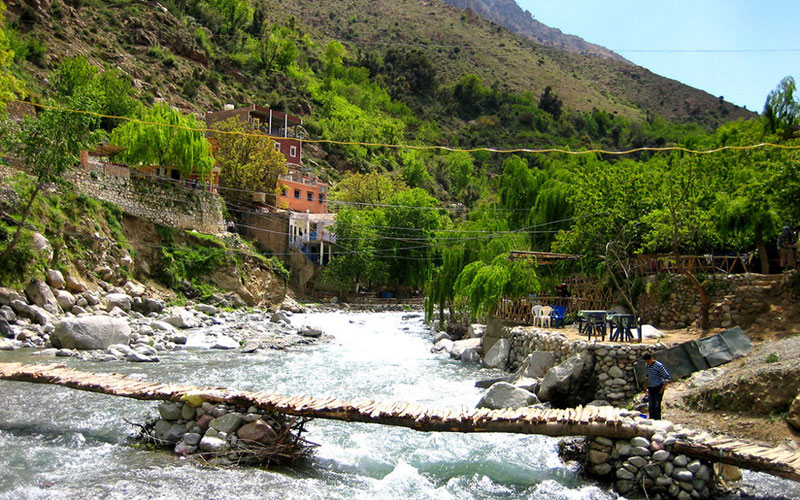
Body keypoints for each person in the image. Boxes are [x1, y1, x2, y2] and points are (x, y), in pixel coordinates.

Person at [642, 353, 670, 420]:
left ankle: (658, 420)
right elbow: (647, 377)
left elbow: (667, 377)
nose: (647, 363)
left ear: (651, 359)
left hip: (658, 387)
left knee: (657, 405)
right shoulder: (647, 366)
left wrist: (662, 388)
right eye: (646, 362)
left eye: (648, 361)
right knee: (651, 405)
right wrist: (645, 387)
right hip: (651, 388)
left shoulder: (659, 366)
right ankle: (652, 420)